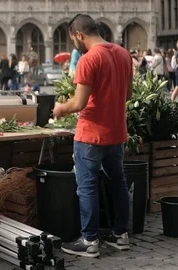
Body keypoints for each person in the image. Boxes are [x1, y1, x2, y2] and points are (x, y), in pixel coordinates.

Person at [53, 14, 132, 258]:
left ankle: (89, 240)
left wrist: (59, 108)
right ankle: (121, 235)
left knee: (86, 187)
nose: (74, 44)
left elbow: (79, 103)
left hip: (90, 135)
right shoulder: (122, 53)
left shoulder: (88, 59)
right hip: (116, 132)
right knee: (118, 184)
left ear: (78, 34)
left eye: (72, 39)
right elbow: (127, 95)